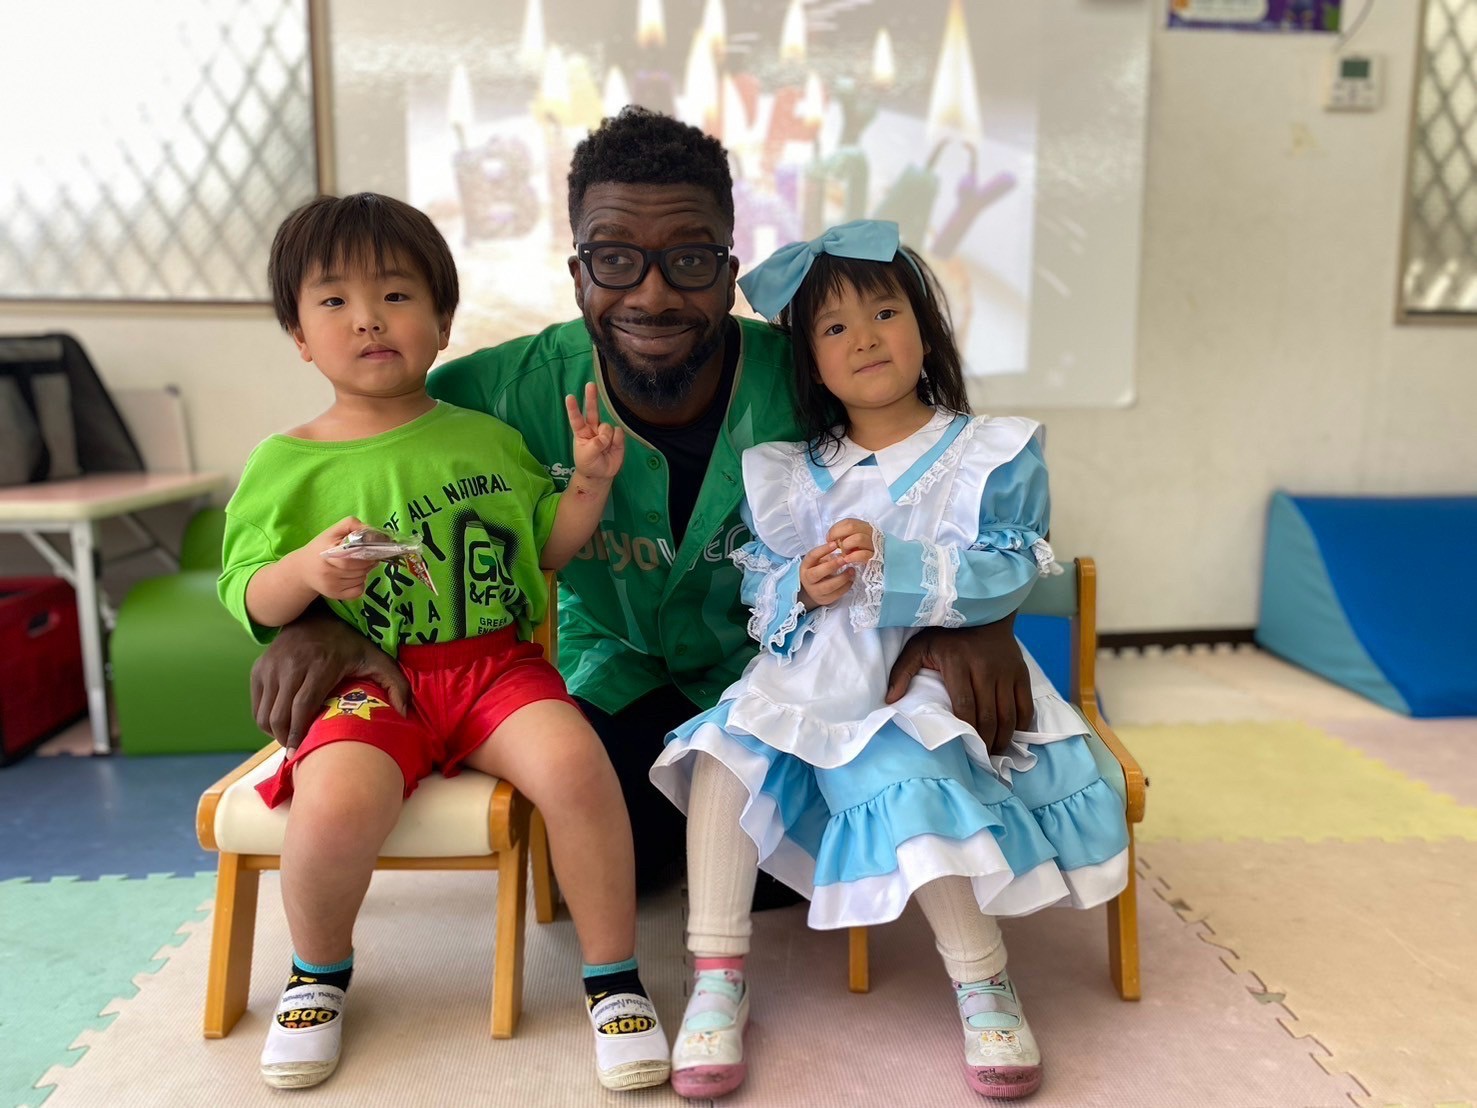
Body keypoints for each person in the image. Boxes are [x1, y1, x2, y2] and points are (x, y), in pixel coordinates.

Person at [248, 108, 1039, 899]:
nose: (652, 295)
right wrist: (310, 619)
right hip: (605, 672)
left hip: (776, 677)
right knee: (592, 867)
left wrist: (977, 621)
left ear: (728, 273)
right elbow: (361, 477)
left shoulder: (811, 374)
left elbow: (945, 474)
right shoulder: (488, 398)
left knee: (800, 873)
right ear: (578, 275)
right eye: (615, 259)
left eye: (689, 259)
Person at [648, 221, 1132, 1100]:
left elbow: (1010, 565)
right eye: (833, 327)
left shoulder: (988, 452)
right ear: (811, 361)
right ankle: (717, 978)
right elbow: (763, 594)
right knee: (721, 756)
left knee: (900, 761)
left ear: (925, 329)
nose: (863, 338)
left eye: (883, 313)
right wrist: (805, 584)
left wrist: (892, 562)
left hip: (931, 671)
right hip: (814, 673)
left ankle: (983, 981)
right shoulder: (788, 472)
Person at [218, 192, 669, 1092]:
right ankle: (316, 974)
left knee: (581, 768)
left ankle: (613, 978)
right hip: (370, 684)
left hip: (495, 667)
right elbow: (247, 592)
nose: (368, 319)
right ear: (300, 336)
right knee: (332, 803)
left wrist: (587, 482)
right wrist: (305, 569)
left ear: (442, 322)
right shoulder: (285, 462)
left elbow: (545, 548)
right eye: (335, 301)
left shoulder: (486, 440)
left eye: (395, 295)